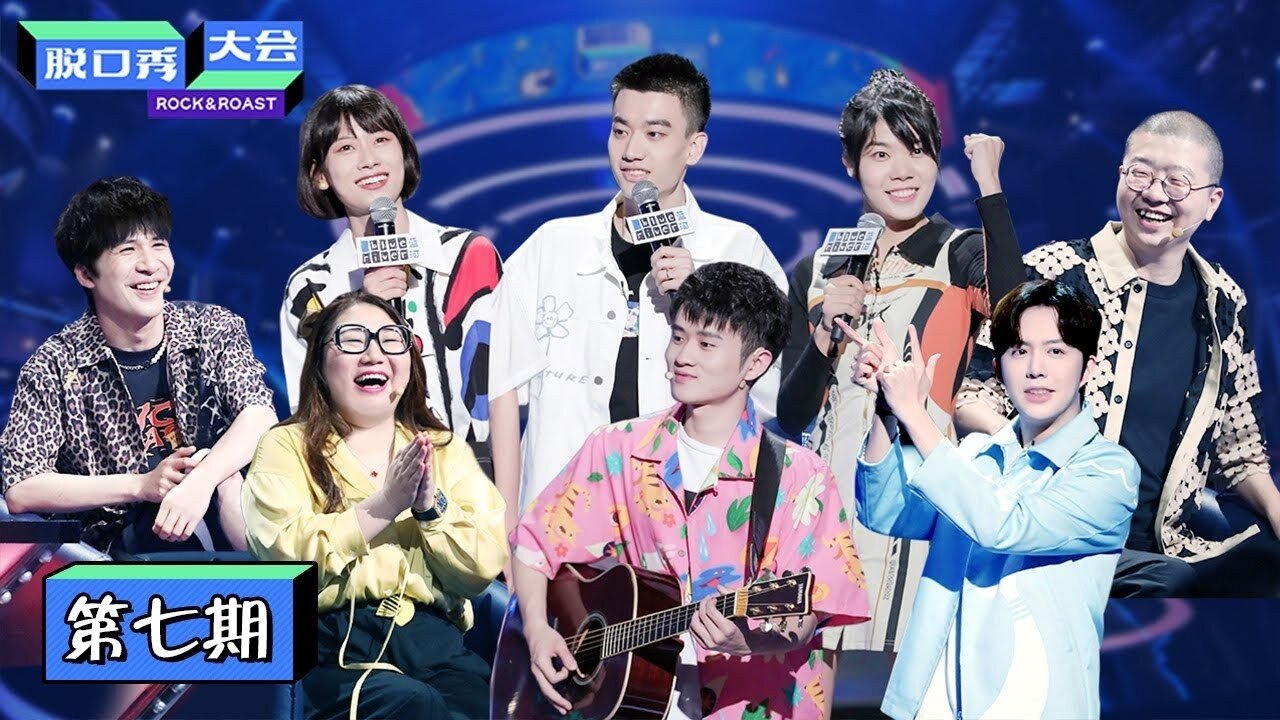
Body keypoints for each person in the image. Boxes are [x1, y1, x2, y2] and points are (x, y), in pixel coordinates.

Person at [512, 262, 868, 720]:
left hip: (751, 703)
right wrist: (538, 629)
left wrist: (748, 639)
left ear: (756, 363)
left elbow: (810, 609)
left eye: (706, 344)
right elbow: (533, 546)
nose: (683, 355)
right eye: (678, 337)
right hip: (629, 702)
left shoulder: (803, 478)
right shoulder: (618, 448)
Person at [956, 111, 1280, 597]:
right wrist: (1056, 465)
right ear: (1120, 176)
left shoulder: (1223, 303)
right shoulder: (1054, 273)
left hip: (1170, 548)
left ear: (1211, 202)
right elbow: (973, 399)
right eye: (1141, 174)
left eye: (1176, 182)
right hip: (1057, 533)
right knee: (1172, 585)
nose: (1154, 194)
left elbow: (1240, 452)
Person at [488, 53, 789, 555]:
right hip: (559, 522)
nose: (631, 151)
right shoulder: (552, 245)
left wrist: (700, 302)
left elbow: (768, 393)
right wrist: (508, 523)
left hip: (685, 526)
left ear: (694, 147)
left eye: (654, 134)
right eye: (620, 130)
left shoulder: (737, 248)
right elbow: (502, 383)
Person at [776, 67, 1024, 653]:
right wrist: (825, 331)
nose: (902, 171)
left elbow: (1016, 311)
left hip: (916, 502)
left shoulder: (957, 254)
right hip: (823, 507)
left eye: (917, 150)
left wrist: (989, 187)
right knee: (816, 678)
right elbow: (790, 414)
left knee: (901, 671)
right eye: (881, 154)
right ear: (850, 163)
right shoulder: (817, 270)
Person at [845, 280, 1137, 720]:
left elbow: (1005, 525)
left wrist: (915, 414)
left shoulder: (1109, 472)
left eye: (1056, 351)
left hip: (1035, 704)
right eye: (1019, 351)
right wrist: (888, 410)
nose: (1036, 368)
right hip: (932, 698)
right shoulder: (975, 454)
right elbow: (885, 512)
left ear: (1087, 368)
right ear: (998, 368)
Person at [243, 290, 506, 720]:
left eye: (390, 339)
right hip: (333, 649)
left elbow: (483, 566)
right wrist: (383, 505)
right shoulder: (285, 445)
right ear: (320, 363)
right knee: (412, 703)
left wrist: (429, 506)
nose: (373, 354)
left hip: (437, 645)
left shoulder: (444, 450)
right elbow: (283, 557)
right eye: (352, 339)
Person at [1, 176, 276, 556]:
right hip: (117, 556)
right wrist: (141, 484)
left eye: (158, 245)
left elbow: (259, 414)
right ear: (86, 274)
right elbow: (22, 488)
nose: (150, 265)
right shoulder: (54, 365)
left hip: (226, 526)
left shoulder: (212, 327)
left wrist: (204, 480)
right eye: (127, 250)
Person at [282, 83, 503, 474]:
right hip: (365, 487)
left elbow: (504, 391)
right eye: (346, 148)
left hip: (472, 480)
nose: (368, 160)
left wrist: (506, 500)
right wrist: (363, 310)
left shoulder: (467, 256)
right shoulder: (310, 289)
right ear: (319, 175)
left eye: (381, 140)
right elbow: (310, 417)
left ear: (404, 151)